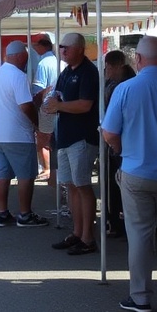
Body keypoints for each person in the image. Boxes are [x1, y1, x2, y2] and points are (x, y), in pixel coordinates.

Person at [101, 36, 157, 312]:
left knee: (139, 234)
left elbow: (110, 132)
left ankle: (140, 296)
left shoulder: (125, 89)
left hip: (136, 171)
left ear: (137, 59)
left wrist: (120, 148)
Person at [43, 33, 100, 256]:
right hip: (66, 136)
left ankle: (88, 237)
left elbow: (85, 105)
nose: (62, 51)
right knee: (70, 186)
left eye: (66, 47)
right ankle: (77, 233)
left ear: (79, 49)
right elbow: (59, 97)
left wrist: (58, 106)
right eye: (61, 47)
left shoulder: (88, 72)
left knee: (82, 186)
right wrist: (52, 103)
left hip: (82, 138)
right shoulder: (66, 71)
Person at [0, 41, 47, 227]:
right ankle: (25, 214)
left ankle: (2, 212)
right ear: (21, 56)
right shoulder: (19, 76)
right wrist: (38, 124)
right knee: (26, 175)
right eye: (26, 57)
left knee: (2, 174)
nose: (27, 61)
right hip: (17, 134)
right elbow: (25, 106)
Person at [102, 50, 134, 238]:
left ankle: (119, 222)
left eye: (109, 67)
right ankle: (115, 221)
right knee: (114, 186)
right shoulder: (113, 83)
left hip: (120, 143)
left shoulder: (122, 85)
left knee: (119, 186)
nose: (107, 71)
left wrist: (114, 143)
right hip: (116, 142)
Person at [30, 33, 59, 180]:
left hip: (46, 106)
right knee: (53, 139)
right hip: (58, 106)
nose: (35, 48)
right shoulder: (58, 61)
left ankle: (47, 169)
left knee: (42, 140)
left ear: (43, 46)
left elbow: (38, 88)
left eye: (36, 45)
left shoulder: (44, 63)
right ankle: (51, 169)